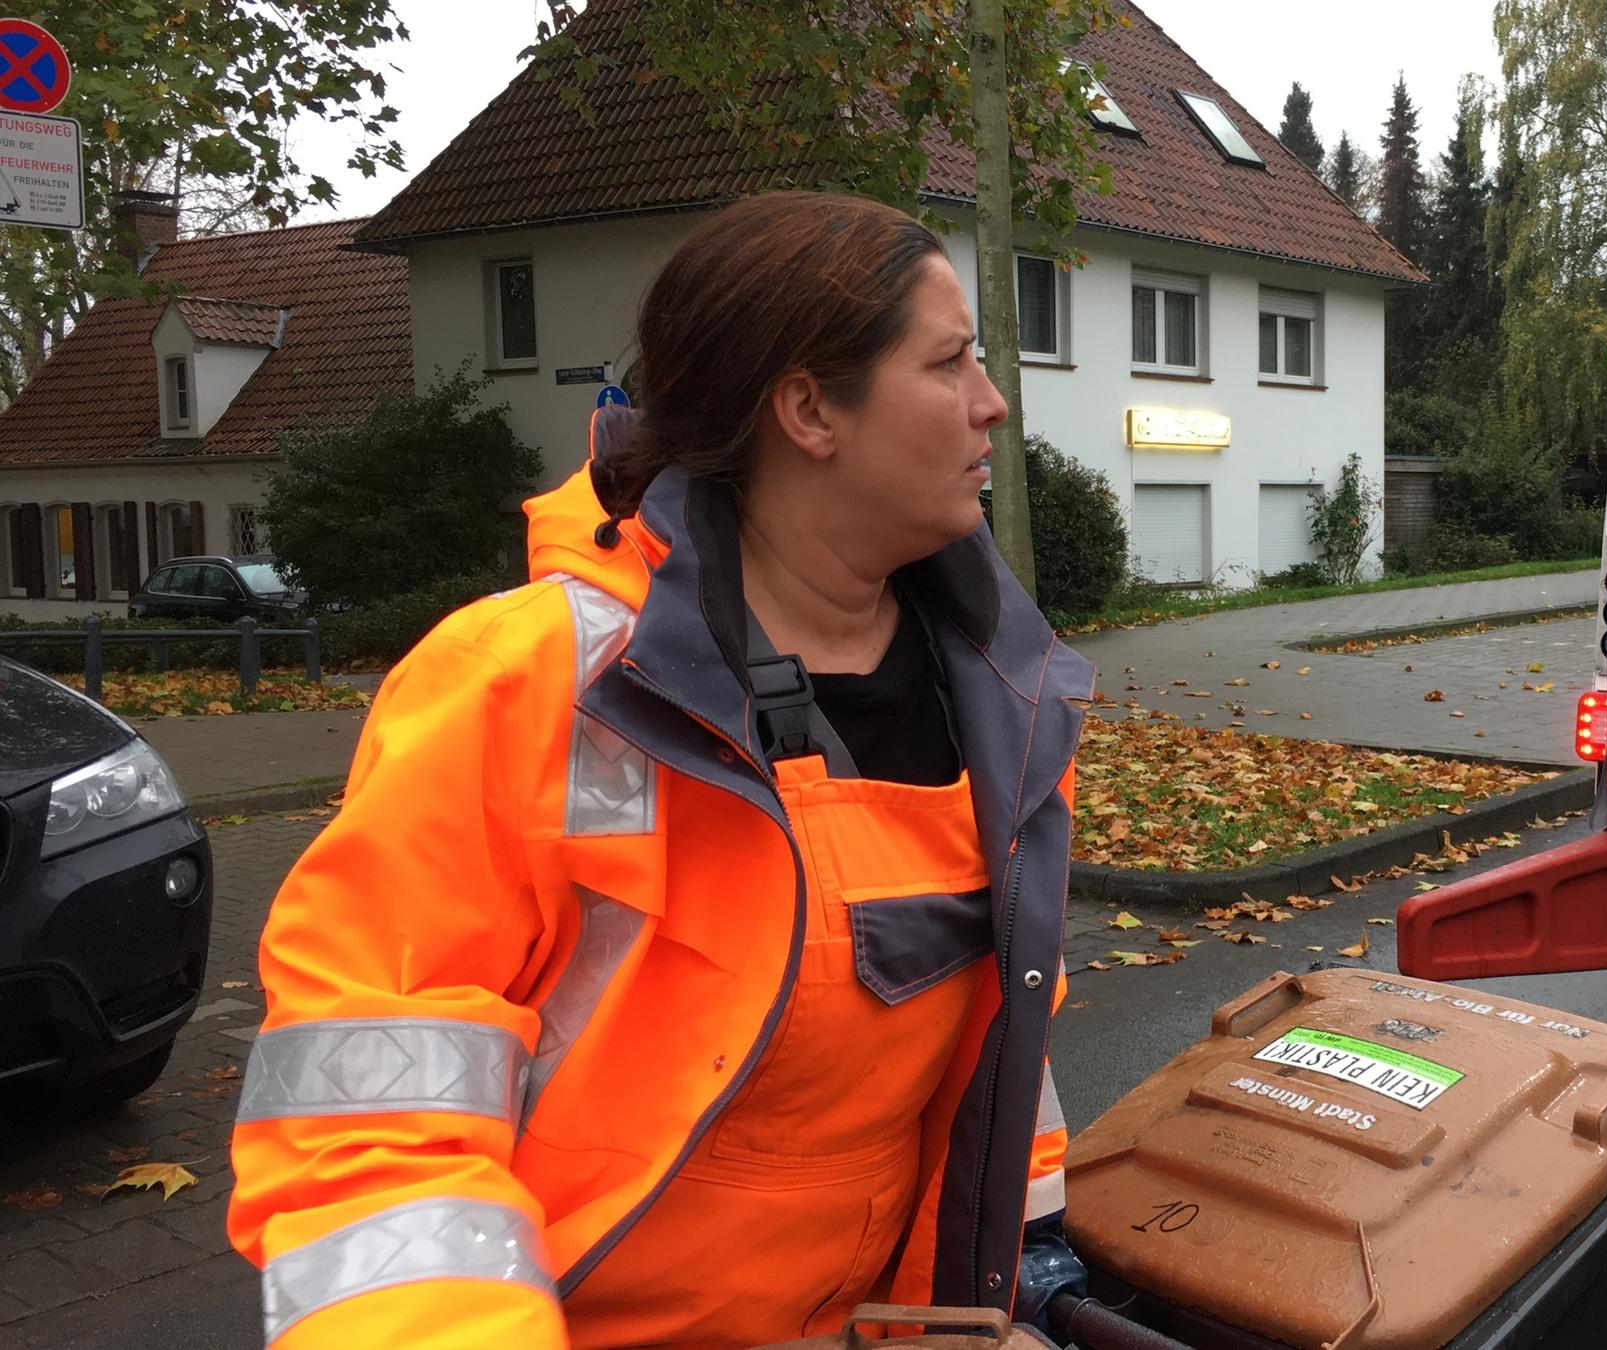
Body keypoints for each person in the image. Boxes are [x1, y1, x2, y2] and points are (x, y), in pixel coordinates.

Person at [226, 191, 1095, 1349]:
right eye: (951, 363)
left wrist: (1020, 1267)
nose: (993, 402)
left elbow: (999, 1045)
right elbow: (369, 1127)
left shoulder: (1007, 701)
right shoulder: (524, 684)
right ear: (808, 410)